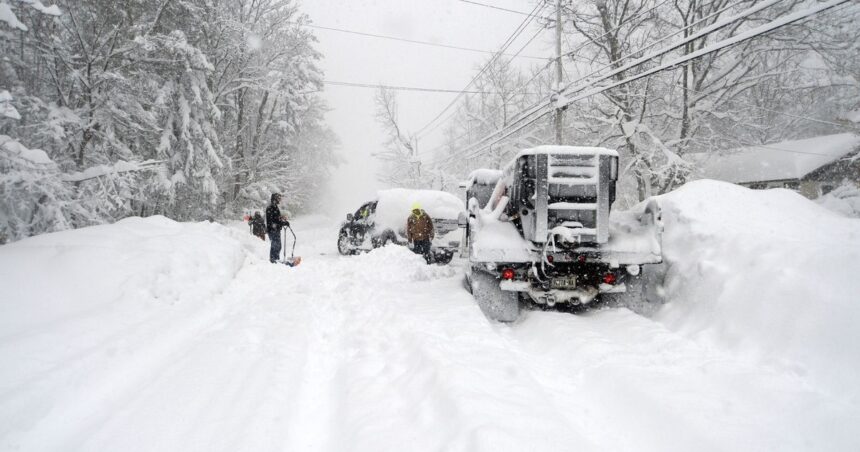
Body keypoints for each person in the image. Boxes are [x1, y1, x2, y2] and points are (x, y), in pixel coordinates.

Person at [266, 193, 290, 263]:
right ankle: (273, 260)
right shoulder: (270, 208)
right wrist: (281, 223)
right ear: (275, 199)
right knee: (275, 245)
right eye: (278, 198)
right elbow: (272, 221)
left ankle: (276, 259)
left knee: (278, 246)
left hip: (276, 229)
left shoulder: (275, 207)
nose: (279, 200)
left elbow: (277, 218)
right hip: (272, 230)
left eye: (280, 198)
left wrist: (283, 220)